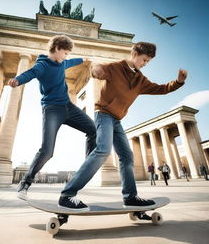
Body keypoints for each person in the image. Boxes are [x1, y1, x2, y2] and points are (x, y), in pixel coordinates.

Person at [58, 42, 187, 210]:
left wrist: (178, 82)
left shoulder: (141, 80)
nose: (145, 63)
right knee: (103, 150)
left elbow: (161, 89)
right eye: (144, 59)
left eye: (148, 61)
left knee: (127, 157)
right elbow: (98, 70)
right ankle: (67, 195)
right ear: (134, 54)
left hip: (117, 120)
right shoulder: (116, 67)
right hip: (103, 114)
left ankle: (130, 197)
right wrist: (95, 70)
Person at [9, 35, 97, 200]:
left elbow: (74, 61)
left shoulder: (62, 62)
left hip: (68, 107)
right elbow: (30, 73)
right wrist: (17, 80)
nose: (66, 57)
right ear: (57, 49)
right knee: (47, 151)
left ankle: (87, 168)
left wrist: (84, 58)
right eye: (65, 53)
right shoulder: (42, 66)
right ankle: (25, 183)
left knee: (93, 129)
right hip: (52, 110)